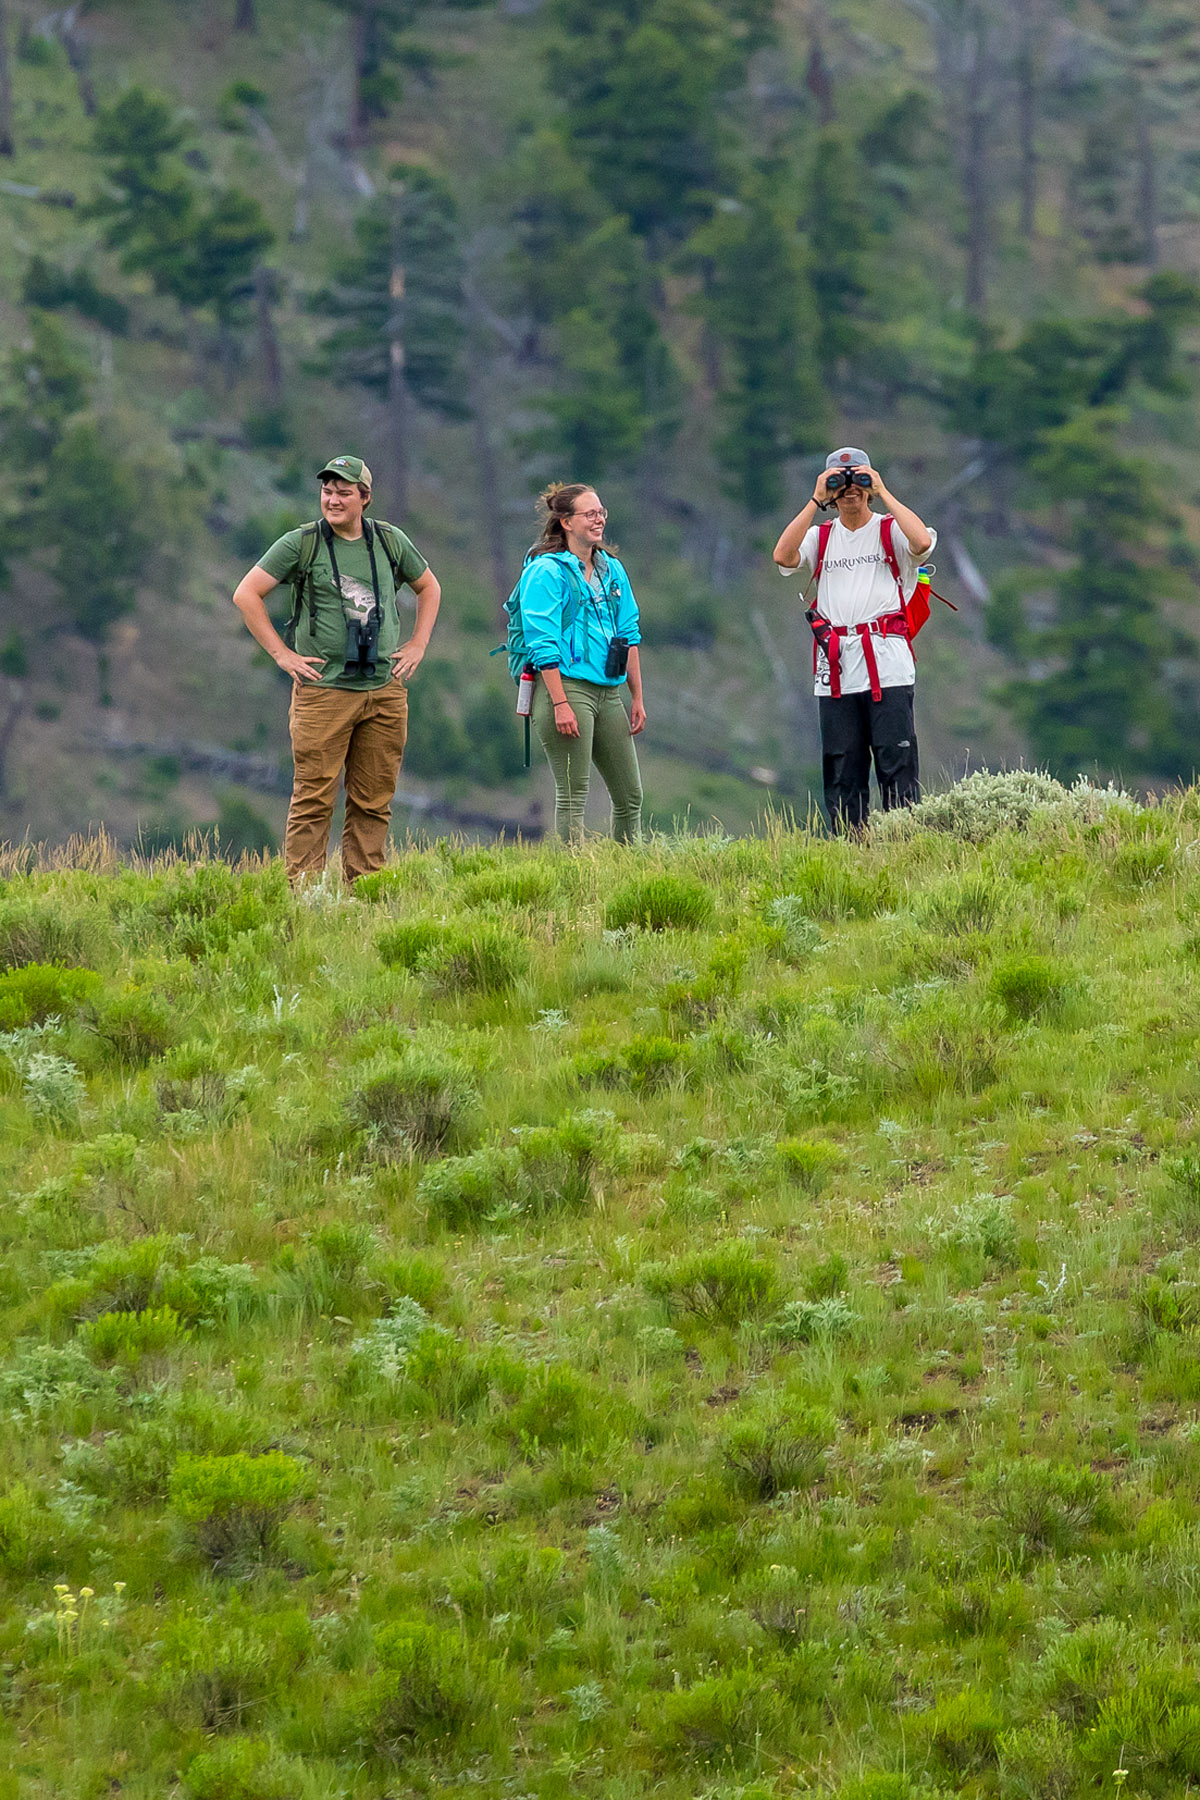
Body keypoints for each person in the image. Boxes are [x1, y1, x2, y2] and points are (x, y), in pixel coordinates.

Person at [231, 454, 442, 885]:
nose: (332, 499)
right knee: (314, 797)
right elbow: (246, 594)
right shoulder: (301, 543)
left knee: (374, 799)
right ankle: (305, 892)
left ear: (364, 497)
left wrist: (418, 644)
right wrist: (282, 654)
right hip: (324, 691)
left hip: (384, 688)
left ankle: (365, 888)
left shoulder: (389, 540)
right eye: (327, 491)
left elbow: (429, 586)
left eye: (343, 492)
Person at [773, 446, 936, 833]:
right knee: (842, 768)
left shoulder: (888, 530)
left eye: (858, 481)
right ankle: (851, 851)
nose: (850, 490)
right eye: (840, 483)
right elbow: (783, 555)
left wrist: (882, 490)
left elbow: (921, 543)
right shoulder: (822, 538)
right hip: (838, 669)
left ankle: (904, 848)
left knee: (896, 764)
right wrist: (816, 498)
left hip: (888, 666)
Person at [518, 483, 646, 844]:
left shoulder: (613, 571)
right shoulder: (546, 572)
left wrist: (636, 697)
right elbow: (541, 642)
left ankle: (627, 868)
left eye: (601, 512)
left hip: (609, 691)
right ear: (566, 522)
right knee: (574, 794)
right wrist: (560, 703)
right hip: (567, 687)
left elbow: (630, 633)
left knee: (629, 795)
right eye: (589, 514)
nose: (599, 519)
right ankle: (573, 878)